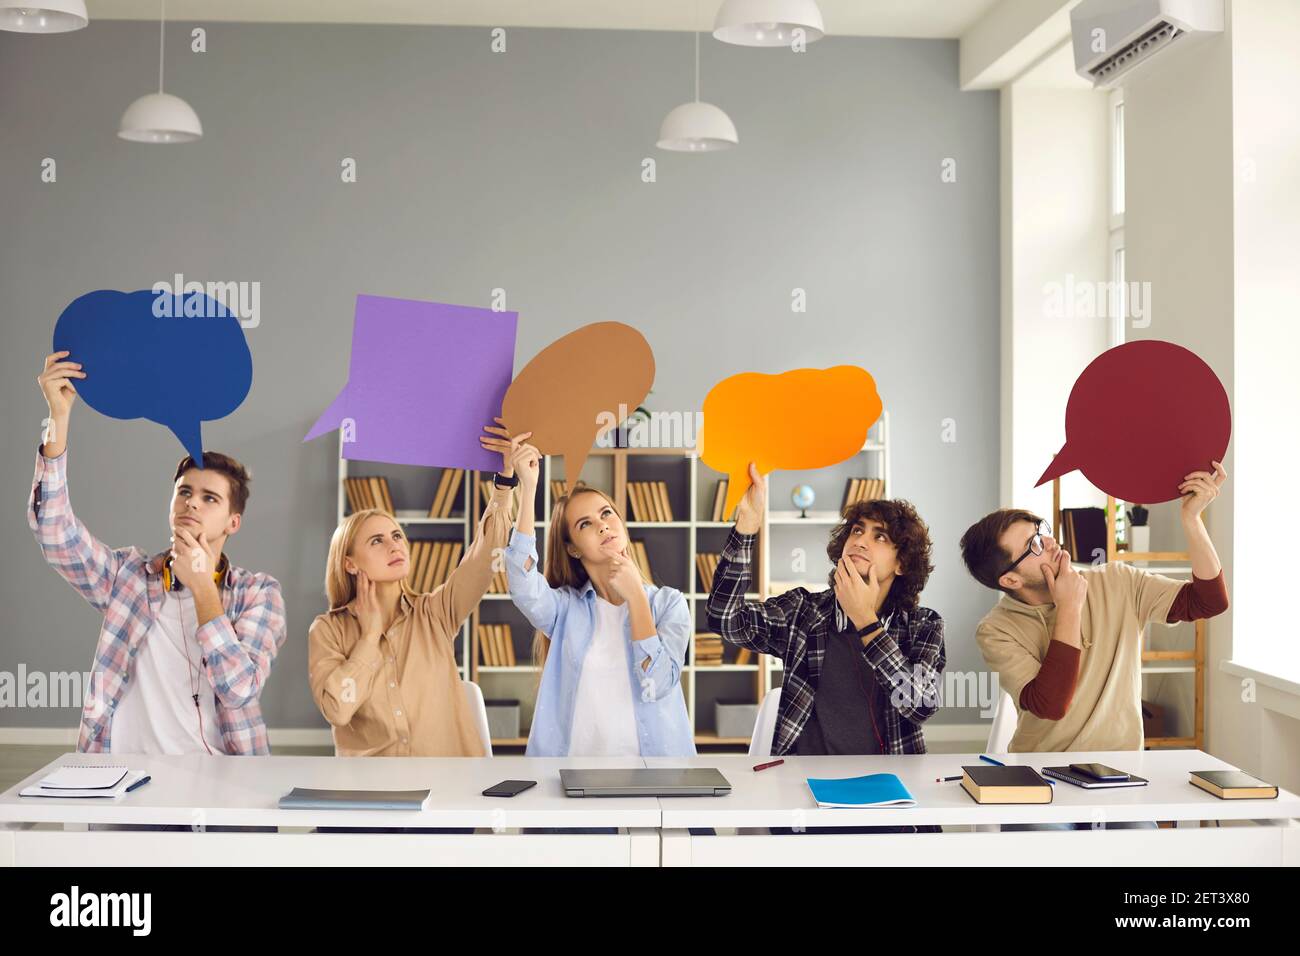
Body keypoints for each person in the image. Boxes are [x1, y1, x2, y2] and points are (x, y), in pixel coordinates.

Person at [30, 351, 286, 757]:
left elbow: (239, 689)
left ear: (232, 522)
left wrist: (204, 588)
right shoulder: (127, 577)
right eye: (184, 492)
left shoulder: (259, 594)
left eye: (209, 498)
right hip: (121, 783)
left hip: (221, 787)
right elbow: (54, 532)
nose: (192, 504)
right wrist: (57, 420)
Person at [959, 463, 1229, 754]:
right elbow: (1051, 705)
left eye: (1042, 530)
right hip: (1039, 773)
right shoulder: (995, 630)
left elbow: (1209, 600)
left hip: (1121, 771)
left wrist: (1192, 519)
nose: (1049, 541)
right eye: (1033, 544)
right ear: (1011, 579)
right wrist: (1070, 606)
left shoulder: (1117, 580)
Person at [308, 424, 532, 756]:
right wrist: (369, 639)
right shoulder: (327, 630)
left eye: (397, 536)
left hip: (451, 788)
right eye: (376, 541)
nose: (394, 545)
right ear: (350, 563)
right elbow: (339, 710)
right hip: (374, 794)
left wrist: (505, 483)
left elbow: (484, 557)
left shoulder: (435, 613)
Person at [493, 439, 694, 757]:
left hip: (654, 777)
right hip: (570, 776)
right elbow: (521, 582)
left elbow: (656, 683)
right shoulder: (564, 610)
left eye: (606, 514)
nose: (602, 526)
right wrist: (528, 488)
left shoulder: (668, 604)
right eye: (585, 524)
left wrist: (636, 599)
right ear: (573, 547)